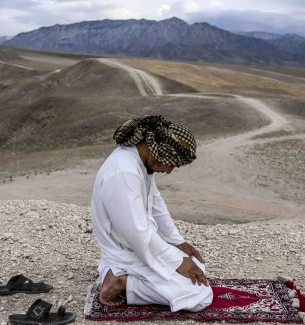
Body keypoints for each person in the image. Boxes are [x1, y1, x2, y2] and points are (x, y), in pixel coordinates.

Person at [90, 115, 213, 312]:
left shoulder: (138, 162)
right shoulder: (124, 172)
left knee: (196, 265)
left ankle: (113, 272)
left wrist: (176, 241)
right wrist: (176, 261)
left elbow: (155, 202)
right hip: (127, 251)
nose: (170, 171)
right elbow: (137, 233)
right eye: (172, 163)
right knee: (199, 297)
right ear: (162, 152)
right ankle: (122, 282)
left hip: (137, 247)